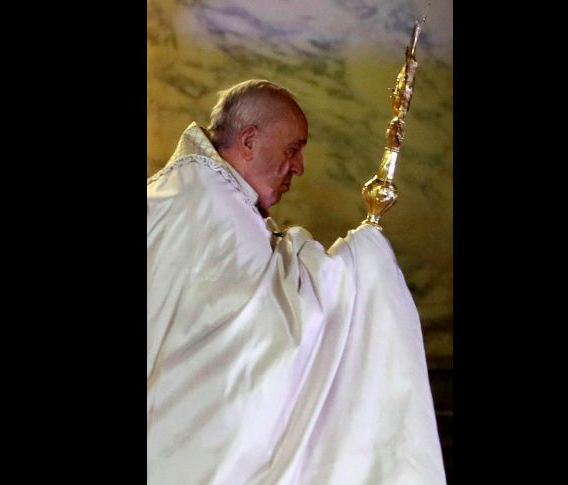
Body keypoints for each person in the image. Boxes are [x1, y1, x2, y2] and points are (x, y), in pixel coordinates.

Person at [147, 79, 446, 484]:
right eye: (293, 148)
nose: (299, 167)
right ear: (249, 140)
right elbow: (270, 332)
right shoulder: (213, 209)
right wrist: (363, 260)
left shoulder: (175, 192)